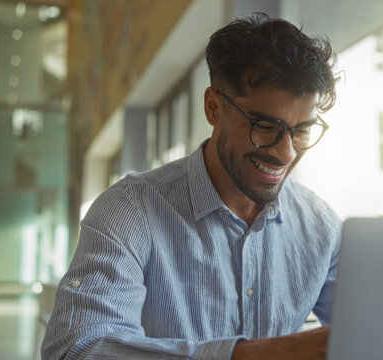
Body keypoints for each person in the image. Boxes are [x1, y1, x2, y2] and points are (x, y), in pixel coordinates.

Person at [42, 12, 341, 360]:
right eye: (263, 125)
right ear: (213, 108)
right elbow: (76, 349)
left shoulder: (322, 227)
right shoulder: (130, 210)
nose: (286, 152)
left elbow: (379, 334)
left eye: (302, 130)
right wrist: (268, 353)